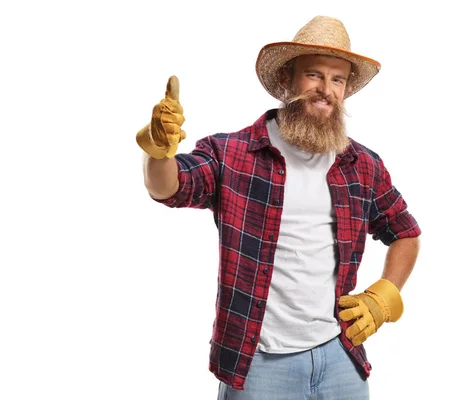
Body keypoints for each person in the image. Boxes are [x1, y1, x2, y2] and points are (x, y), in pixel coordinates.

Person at [136, 15, 421, 400]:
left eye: (337, 79)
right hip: (260, 367)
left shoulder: (362, 166)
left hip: (340, 358)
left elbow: (405, 232)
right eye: (314, 75)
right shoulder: (233, 154)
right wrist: (158, 152)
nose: (325, 90)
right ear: (288, 79)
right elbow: (171, 186)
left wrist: (384, 295)